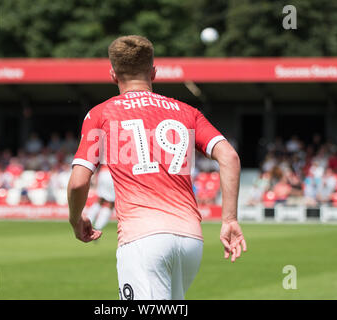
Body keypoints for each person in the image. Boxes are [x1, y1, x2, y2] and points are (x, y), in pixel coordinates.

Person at [67, 35, 246, 300]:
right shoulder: (187, 111)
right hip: (190, 240)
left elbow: (79, 182)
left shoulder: (101, 114)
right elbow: (229, 157)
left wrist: (75, 218)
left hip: (143, 239)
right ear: (153, 72)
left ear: (113, 74)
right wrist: (229, 219)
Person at [85, 165, 115, 231]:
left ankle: (87, 221)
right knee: (111, 203)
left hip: (102, 172)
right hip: (112, 173)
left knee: (100, 200)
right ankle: (98, 228)